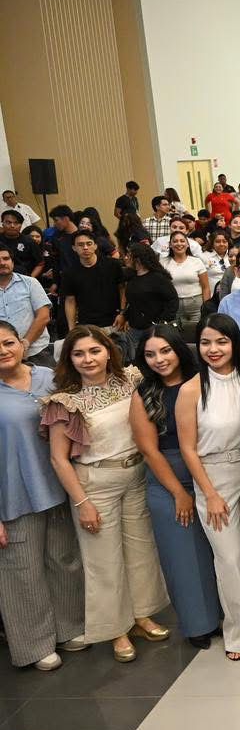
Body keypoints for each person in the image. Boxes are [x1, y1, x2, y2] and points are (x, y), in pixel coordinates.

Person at [42, 326, 169, 663]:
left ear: (108, 352)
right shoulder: (65, 401)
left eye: (94, 351)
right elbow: (58, 459)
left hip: (136, 475)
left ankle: (141, 615)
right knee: (103, 560)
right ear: (69, 359)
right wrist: (82, 503)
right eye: (79, 353)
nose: (88, 359)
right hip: (95, 484)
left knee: (141, 551)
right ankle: (116, 630)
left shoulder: (130, 380)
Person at [175, 314, 240, 660]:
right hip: (214, 476)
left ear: (234, 343)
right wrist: (210, 494)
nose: (213, 349)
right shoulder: (191, 389)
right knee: (228, 558)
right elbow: (188, 448)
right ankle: (238, 631)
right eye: (205, 342)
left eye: (221, 341)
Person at [128, 325, 222, 649]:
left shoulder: (204, 381)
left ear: (179, 349)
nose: (159, 359)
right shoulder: (143, 393)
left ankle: (224, 616)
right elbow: (149, 450)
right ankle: (198, 625)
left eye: (165, 350)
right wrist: (179, 493)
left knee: (215, 553)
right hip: (169, 481)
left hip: (211, 474)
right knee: (183, 559)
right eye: (150, 354)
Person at [0, 321, 86, 670]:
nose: (3, 351)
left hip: (57, 486)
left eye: (8, 342)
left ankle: (70, 627)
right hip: (13, 496)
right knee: (22, 572)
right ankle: (35, 645)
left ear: (22, 344)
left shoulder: (48, 378)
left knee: (64, 560)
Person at [60, 229, 126, 333]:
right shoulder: (69, 273)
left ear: (95, 245)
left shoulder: (113, 265)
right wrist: (72, 329)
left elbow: (123, 289)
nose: (85, 248)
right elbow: (70, 301)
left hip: (114, 322)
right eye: (80, 245)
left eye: (89, 243)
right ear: (74, 248)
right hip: (87, 326)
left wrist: (123, 313)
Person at [0, 246, 53, 368]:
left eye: (6, 258)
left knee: (48, 380)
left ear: (12, 262)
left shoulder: (30, 283)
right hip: (3, 356)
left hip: (36, 352)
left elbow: (44, 316)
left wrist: (25, 343)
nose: (2, 263)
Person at [163, 231, 211, 343]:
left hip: (196, 306)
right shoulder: (163, 263)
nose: (179, 244)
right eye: (175, 241)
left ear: (188, 244)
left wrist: (206, 308)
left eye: (182, 241)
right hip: (174, 307)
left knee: (199, 335)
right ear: (170, 245)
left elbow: (206, 287)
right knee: (176, 338)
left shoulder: (196, 262)